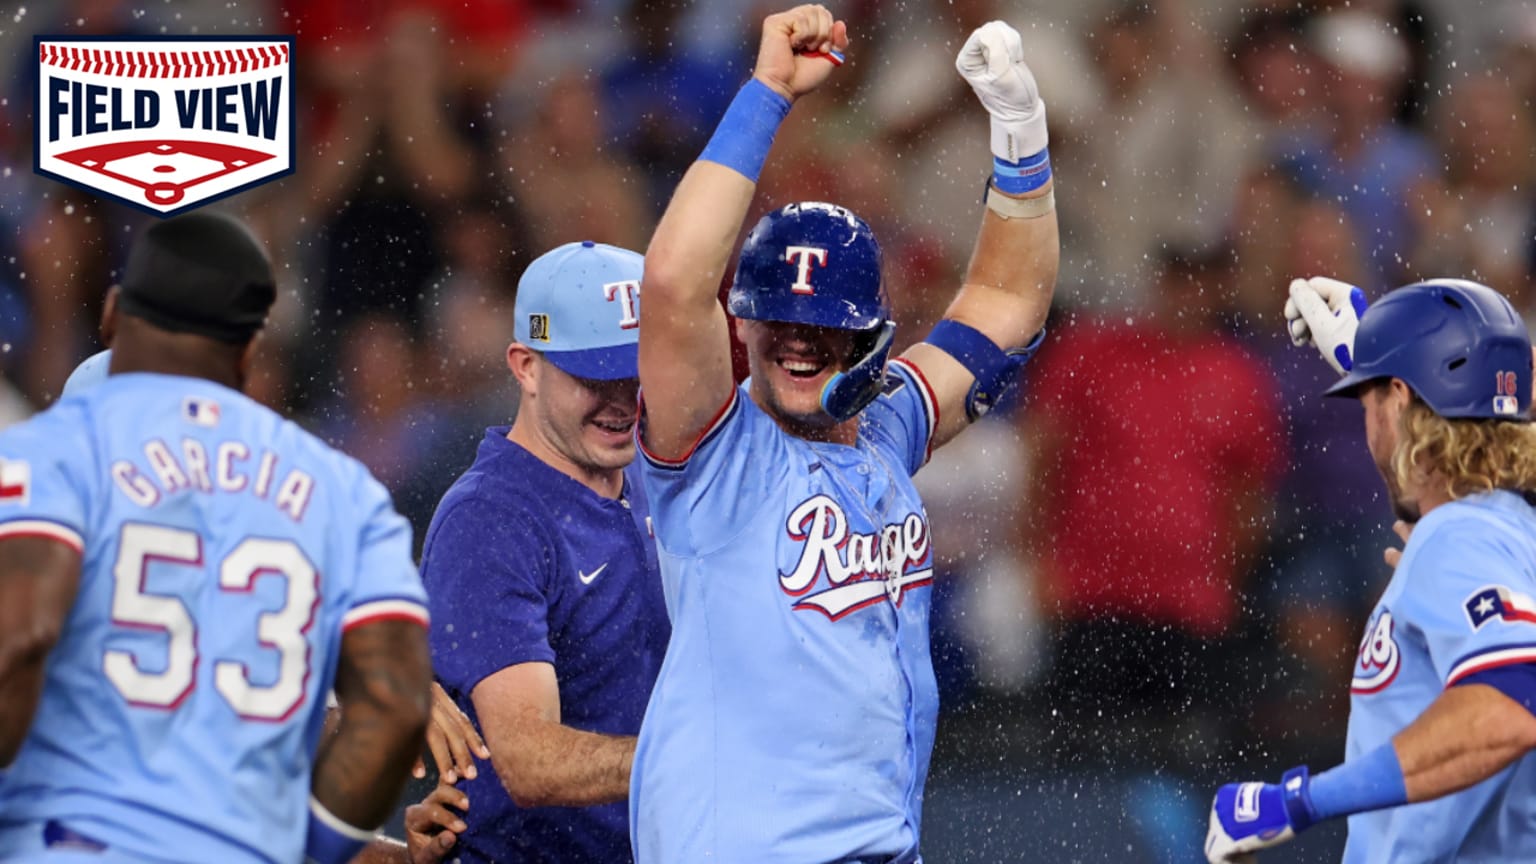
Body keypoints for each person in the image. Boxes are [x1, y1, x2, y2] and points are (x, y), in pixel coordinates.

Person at [631, 8, 1058, 862]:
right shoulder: (715, 455)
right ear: (742, 324)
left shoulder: (885, 426)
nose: (797, 343)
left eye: (824, 327)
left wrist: (1019, 131)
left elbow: (1007, 302)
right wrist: (766, 94)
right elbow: (674, 282)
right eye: (778, 321)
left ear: (868, 335)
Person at [0, 212, 433, 864]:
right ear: (249, 352)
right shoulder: (339, 491)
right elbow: (394, 706)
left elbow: (19, 640)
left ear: (113, 314)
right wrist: (311, 846)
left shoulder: (48, 454)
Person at [1205, 277, 1536, 862]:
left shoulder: (1458, 538)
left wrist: (1297, 801)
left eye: (1367, 400)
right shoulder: (1509, 530)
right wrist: (1389, 355)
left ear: (1401, 400)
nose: (1367, 421)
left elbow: (1513, 705)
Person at [420, 240, 669, 863]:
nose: (623, 400)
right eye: (596, 377)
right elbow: (531, 762)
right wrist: (702, 757)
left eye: (638, 372)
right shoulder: (490, 520)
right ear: (526, 366)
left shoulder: (656, 473)